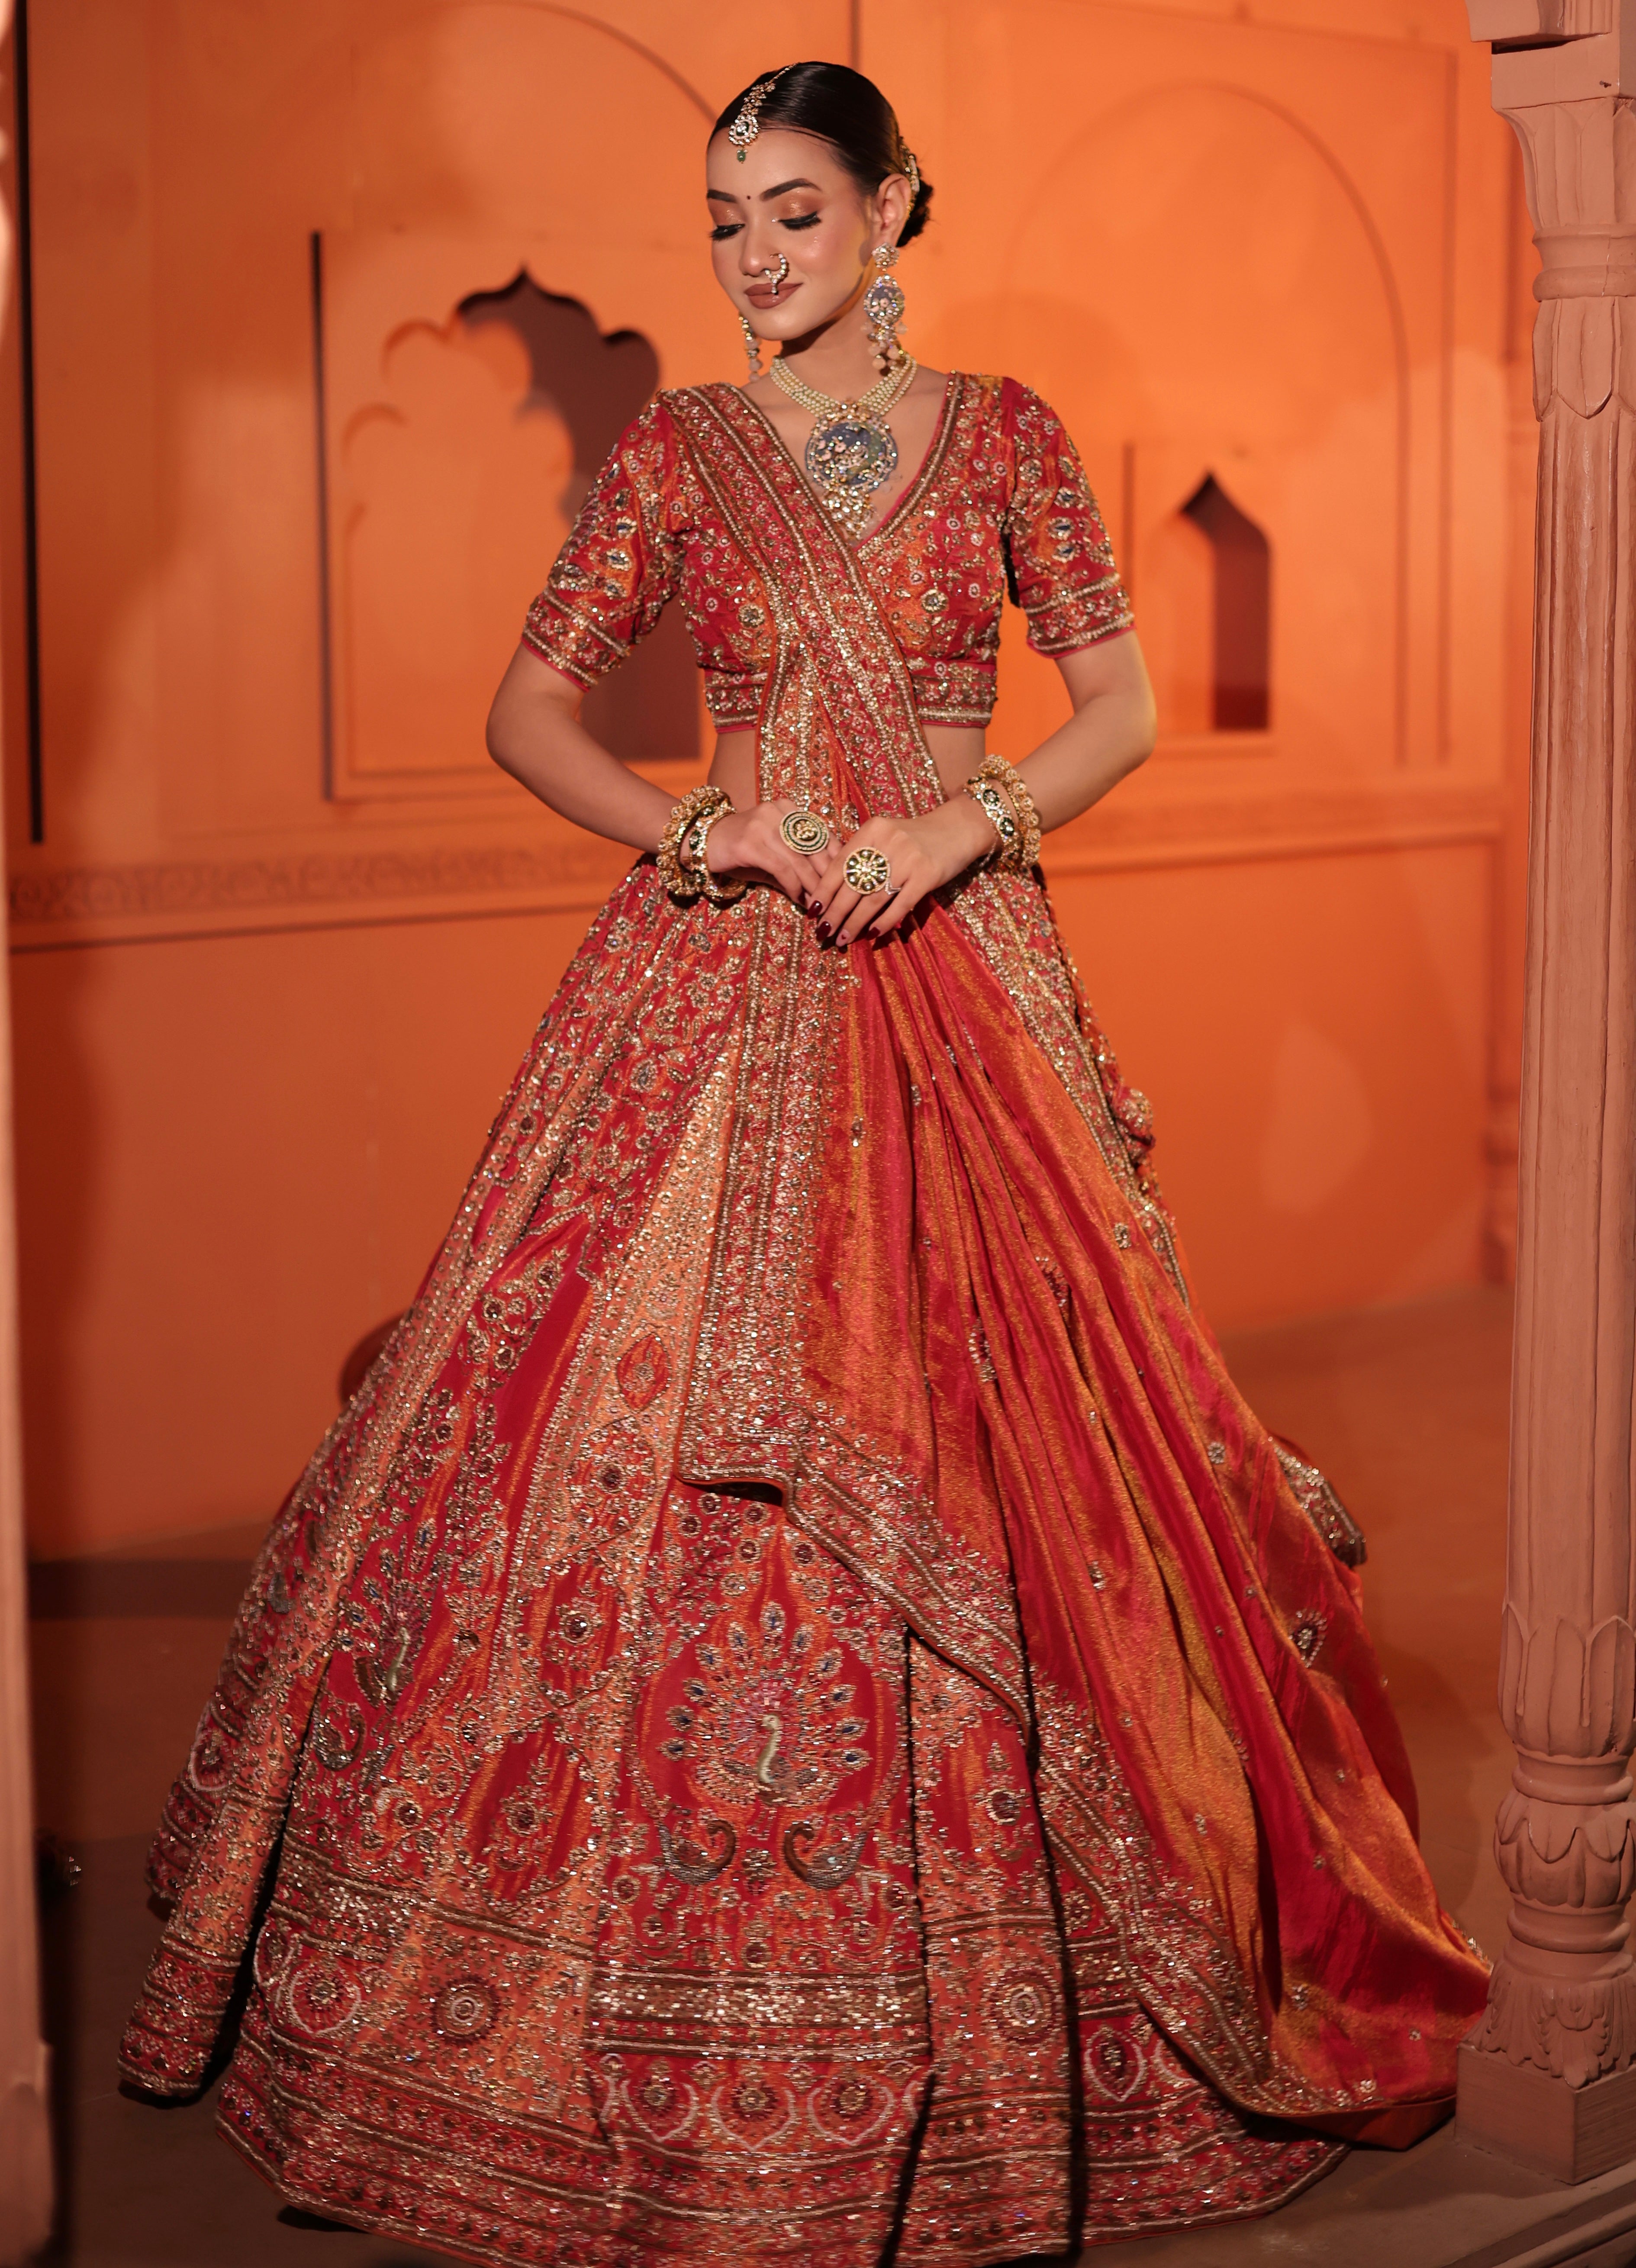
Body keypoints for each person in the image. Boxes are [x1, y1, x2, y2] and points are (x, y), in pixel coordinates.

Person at [120, 59, 1489, 2267]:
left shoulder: (1016, 434)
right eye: (725, 219)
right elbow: (525, 713)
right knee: (580, 1437)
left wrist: (962, 823)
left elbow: (1121, 700)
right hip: (723, 976)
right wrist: (710, 822)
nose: (755, 257)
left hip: (962, 960)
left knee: (1048, 1432)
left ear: (895, 207)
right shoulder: (678, 450)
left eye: (792, 211)